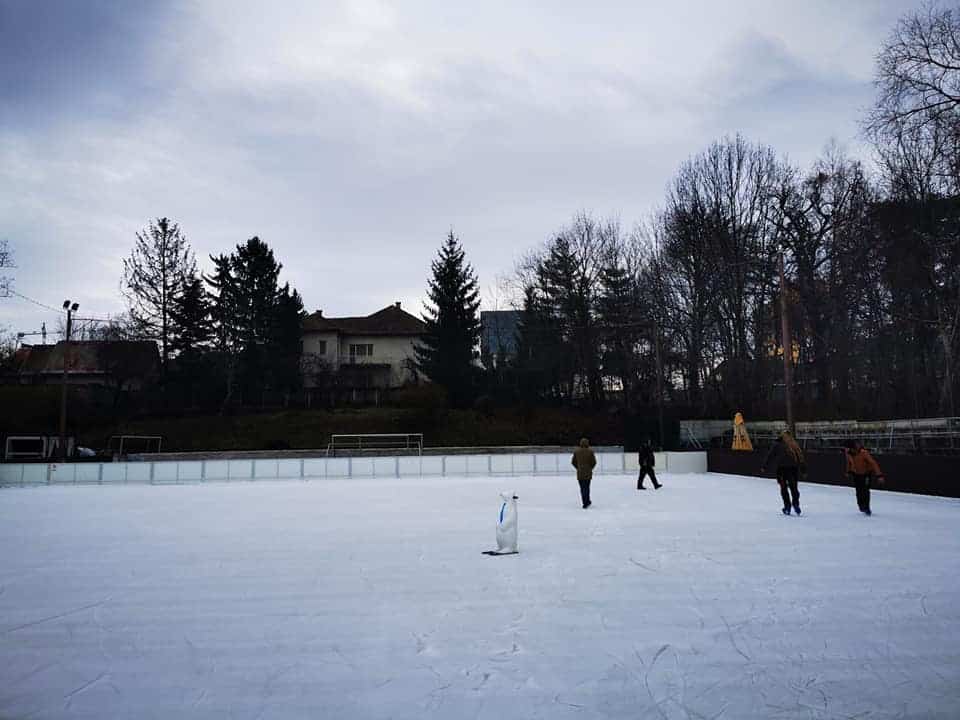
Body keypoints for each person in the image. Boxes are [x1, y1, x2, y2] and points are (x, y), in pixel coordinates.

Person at [761, 430, 804, 515]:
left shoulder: (778, 444)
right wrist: (803, 469)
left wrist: (764, 466)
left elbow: (771, 455)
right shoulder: (793, 444)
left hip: (782, 469)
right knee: (793, 487)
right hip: (792, 469)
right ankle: (795, 504)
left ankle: (788, 506)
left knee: (784, 488)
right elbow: (800, 457)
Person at [844, 440, 884, 516]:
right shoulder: (848, 452)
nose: (847, 450)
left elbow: (873, 463)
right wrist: (848, 471)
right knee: (859, 490)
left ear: (853, 448)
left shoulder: (863, 453)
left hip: (866, 474)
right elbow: (848, 462)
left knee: (865, 490)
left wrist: (879, 475)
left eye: (848, 448)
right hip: (856, 474)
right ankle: (861, 506)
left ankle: (867, 507)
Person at [571, 437, 597, 509]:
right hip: (588, 473)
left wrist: (578, 467)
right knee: (587, 487)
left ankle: (585, 502)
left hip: (580, 473)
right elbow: (594, 462)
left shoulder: (577, 452)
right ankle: (587, 501)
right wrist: (590, 468)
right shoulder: (590, 451)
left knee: (582, 488)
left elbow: (573, 462)